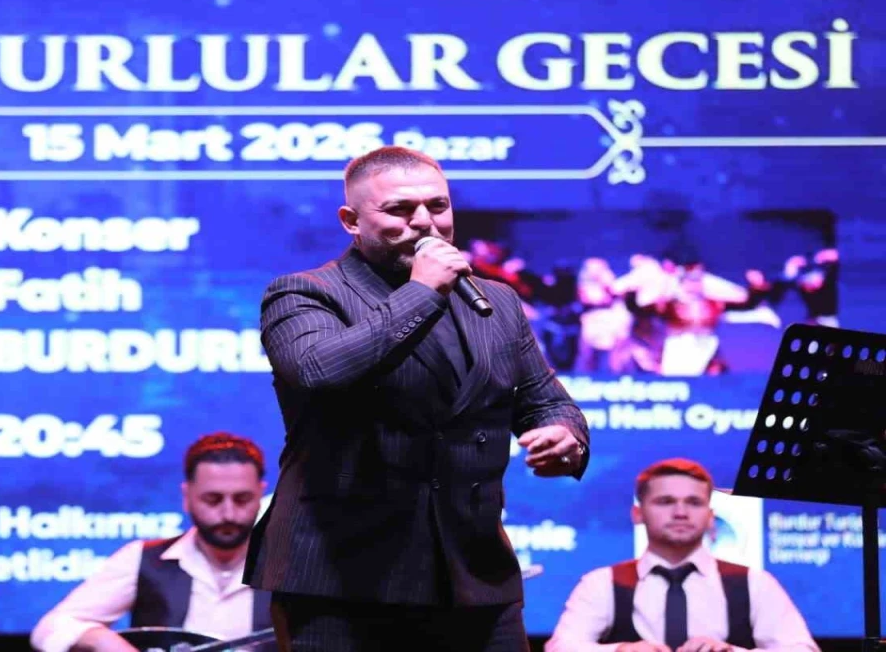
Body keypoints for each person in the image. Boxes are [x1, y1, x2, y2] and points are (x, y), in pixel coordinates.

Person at [244, 146, 590, 652]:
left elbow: (544, 400)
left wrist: (564, 436)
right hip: (342, 577)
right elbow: (318, 371)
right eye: (400, 210)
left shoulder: (495, 300)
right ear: (351, 221)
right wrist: (422, 291)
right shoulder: (304, 293)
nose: (426, 222)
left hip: (473, 572)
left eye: (438, 206)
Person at [31, 433, 272, 652]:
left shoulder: (284, 564)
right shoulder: (143, 559)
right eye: (212, 499)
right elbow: (51, 628)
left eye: (242, 499)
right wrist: (102, 640)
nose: (228, 514)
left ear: (261, 494)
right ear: (186, 496)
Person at [545, 459, 818, 652]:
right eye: (665, 501)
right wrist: (622, 650)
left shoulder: (754, 583)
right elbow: (560, 647)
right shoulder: (601, 583)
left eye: (694, 502)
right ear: (637, 514)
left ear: (710, 517)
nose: (680, 513)